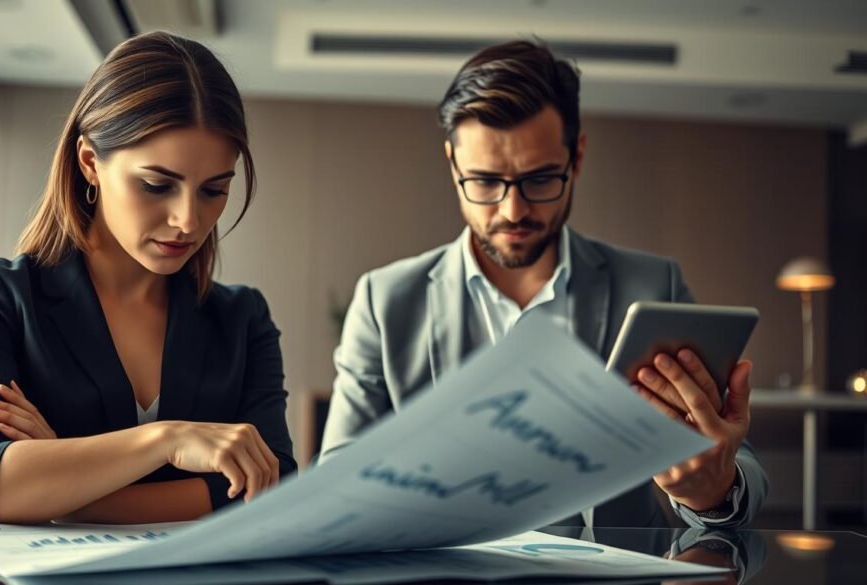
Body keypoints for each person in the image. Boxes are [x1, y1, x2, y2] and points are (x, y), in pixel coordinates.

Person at [320, 39, 767, 528]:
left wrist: (713, 492)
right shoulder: (384, 301)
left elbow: (736, 461)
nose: (513, 211)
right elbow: (336, 482)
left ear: (577, 158)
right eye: (485, 181)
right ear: (452, 165)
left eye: (539, 180)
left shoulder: (654, 286)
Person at [0, 31, 295, 524]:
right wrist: (168, 440)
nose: (188, 220)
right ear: (90, 163)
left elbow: (272, 485)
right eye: (156, 185)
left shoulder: (243, 320)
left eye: (213, 190)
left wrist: (62, 486)